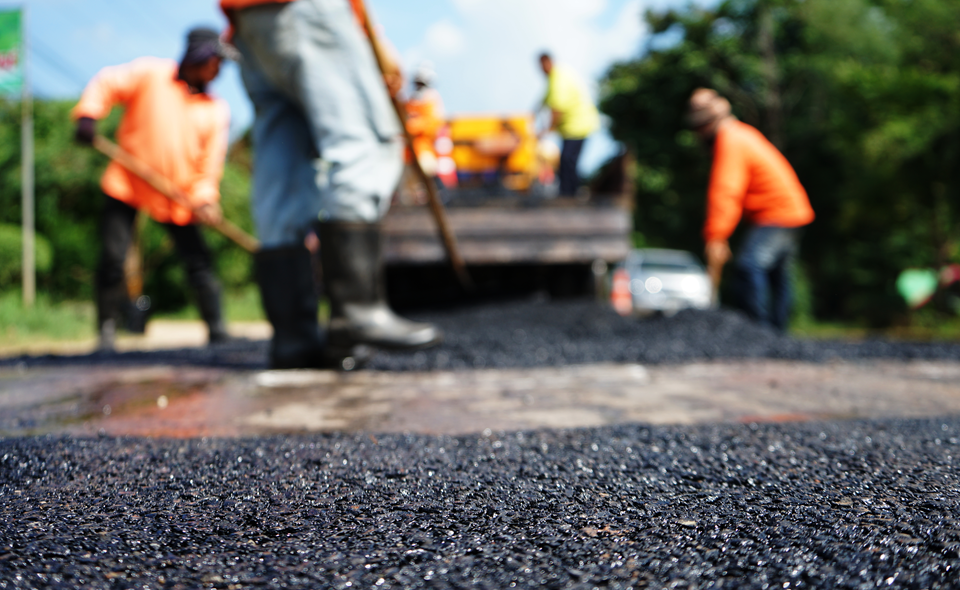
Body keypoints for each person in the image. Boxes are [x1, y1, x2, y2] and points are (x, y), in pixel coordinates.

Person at [220, 0, 441, 370]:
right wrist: (376, 41)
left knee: (282, 166)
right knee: (367, 143)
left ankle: (293, 338)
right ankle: (357, 312)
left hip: (249, 22)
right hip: (309, 12)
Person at [73, 28, 232, 350]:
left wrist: (204, 199)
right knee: (112, 257)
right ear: (199, 57)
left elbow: (208, 166)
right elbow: (107, 83)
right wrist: (89, 115)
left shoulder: (216, 110)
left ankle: (218, 331)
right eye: (216, 61)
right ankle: (106, 332)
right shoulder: (151, 75)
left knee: (199, 261)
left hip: (177, 196)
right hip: (127, 182)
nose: (219, 70)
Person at [688, 88, 815, 331]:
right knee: (778, 275)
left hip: (778, 213)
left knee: (749, 266)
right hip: (792, 210)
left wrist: (716, 235)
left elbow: (726, 191)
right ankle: (778, 334)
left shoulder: (730, 140)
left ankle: (757, 331)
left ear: (706, 125)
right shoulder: (742, 133)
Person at [538, 52, 600, 197]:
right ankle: (570, 193)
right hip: (573, 127)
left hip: (578, 125)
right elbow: (546, 98)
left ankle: (569, 196)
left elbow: (557, 110)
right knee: (568, 160)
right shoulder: (556, 76)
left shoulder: (558, 78)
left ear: (546, 63)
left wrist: (547, 129)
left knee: (567, 161)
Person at [405, 62, 445, 181]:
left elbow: (431, 124)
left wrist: (410, 126)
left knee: (426, 176)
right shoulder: (409, 101)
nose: (418, 87)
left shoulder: (431, 100)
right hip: (407, 155)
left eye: (421, 83)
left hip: (424, 152)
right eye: (417, 83)